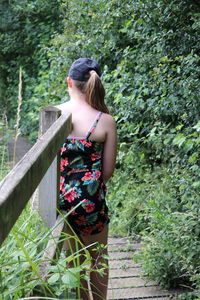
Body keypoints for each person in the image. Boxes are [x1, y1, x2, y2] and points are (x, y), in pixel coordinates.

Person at [57, 58, 117, 300]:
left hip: (61, 200)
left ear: (69, 82)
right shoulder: (105, 121)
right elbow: (108, 171)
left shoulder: (55, 114)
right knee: (98, 258)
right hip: (92, 200)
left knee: (74, 260)